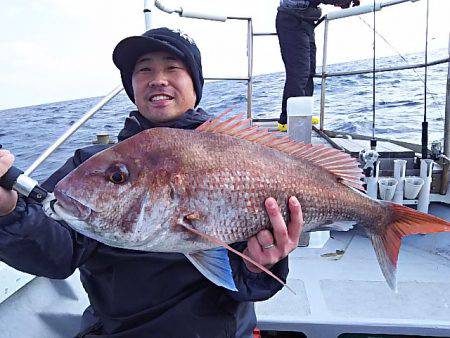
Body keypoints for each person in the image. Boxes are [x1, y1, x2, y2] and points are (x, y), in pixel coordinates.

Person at [0, 27, 304, 338]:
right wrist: (8, 210)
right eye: (144, 69)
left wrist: (257, 267)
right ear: (132, 86)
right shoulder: (90, 164)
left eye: (173, 67)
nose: (157, 78)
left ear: (195, 84)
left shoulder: (238, 154)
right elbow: (56, 253)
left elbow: (248, 284)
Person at [276, 0, 360, 132]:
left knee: (309, 70)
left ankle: (304, 113)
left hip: (306, 22)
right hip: (291, 21)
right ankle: (288, 119)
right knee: (299, 72)